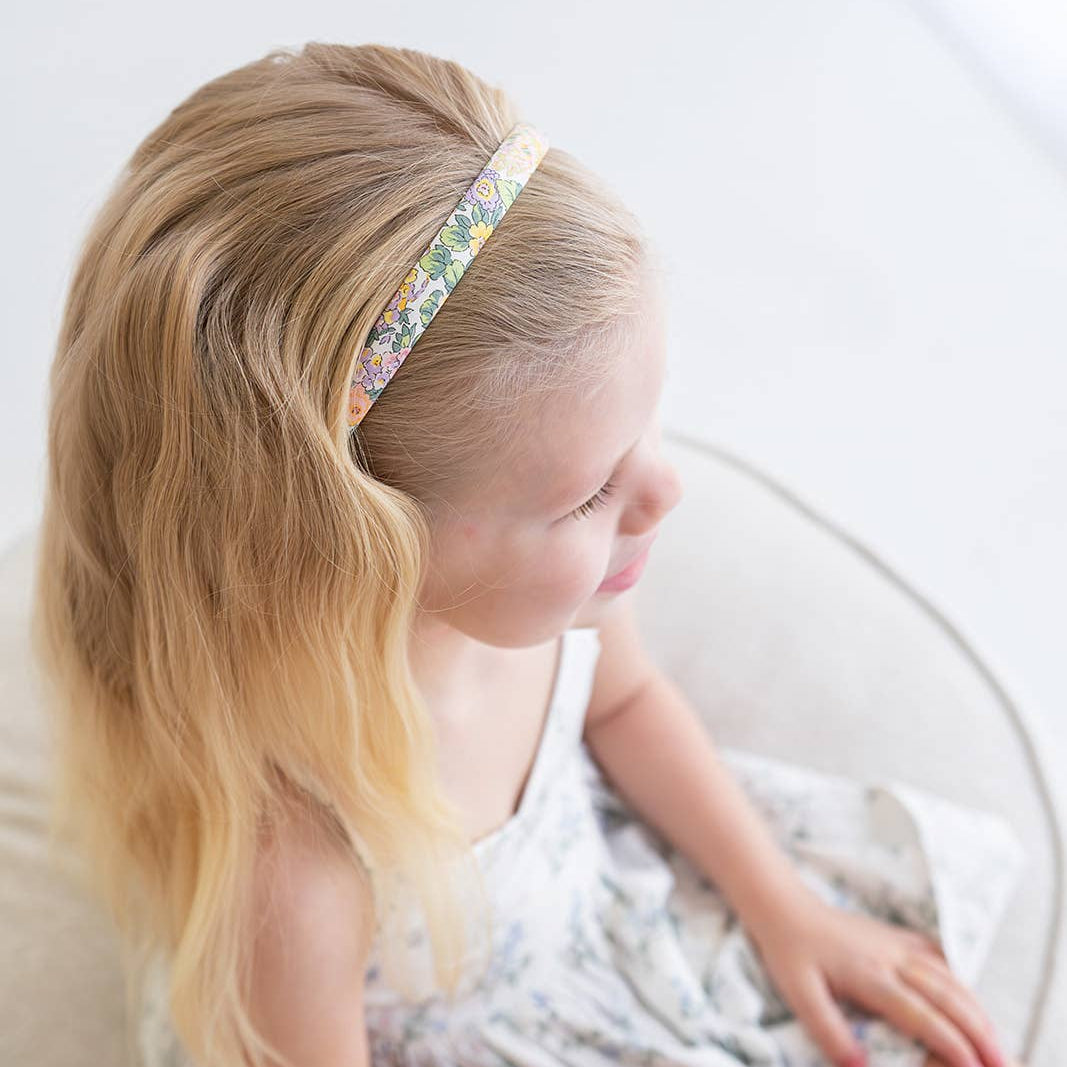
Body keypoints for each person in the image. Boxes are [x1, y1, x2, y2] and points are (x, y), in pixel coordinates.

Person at [33, 41, 1026, 1067]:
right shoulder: (295, 870)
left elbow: (623, 703)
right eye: (590, 491)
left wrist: (781, 906)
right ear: (358, 546)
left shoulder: (557, 597)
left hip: (596, 935)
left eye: (650, 428)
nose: (662, 491)